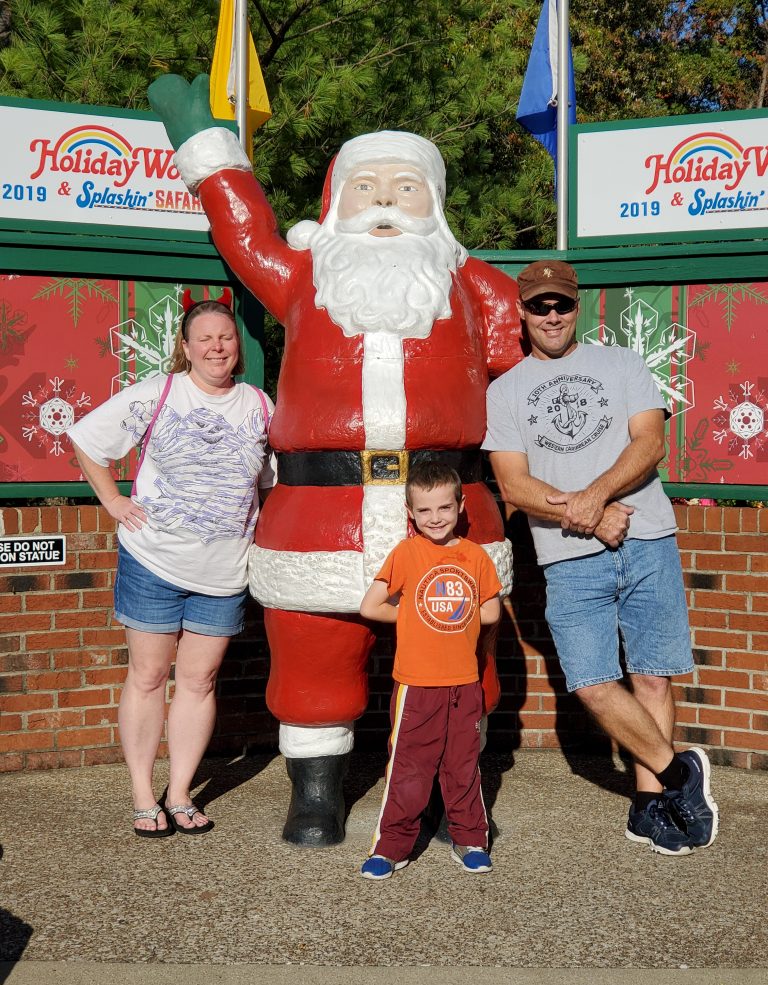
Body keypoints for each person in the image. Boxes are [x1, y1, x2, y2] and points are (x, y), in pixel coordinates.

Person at [148, 73, 525, 846]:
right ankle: (316, 796)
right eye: (367, 188)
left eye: (406, 188)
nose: (385, 204)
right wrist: (208, 150)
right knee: (315, 651)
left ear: (438, 204)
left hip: (450, 506)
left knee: (460, 662)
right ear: (334, 202)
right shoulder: (302, 278)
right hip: (320, 512)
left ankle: (458, 800)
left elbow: (525, 364)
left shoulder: (473, 285)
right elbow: (243, 231)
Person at [483, 259, 719, 856]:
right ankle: (679, 774)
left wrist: (593, 497)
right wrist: (583, 515)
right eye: (540, 305)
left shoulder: (621, 364)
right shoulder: (506, 390)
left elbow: (650, 441)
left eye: (561, 303)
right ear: (521, 311)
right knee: (589, 681)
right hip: (567, 556)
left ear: (576, 305)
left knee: (651, 677)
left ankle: (650, 808)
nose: (552, 315)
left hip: (646, 537)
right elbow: (513, 484)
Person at [67, 293, 275, 838]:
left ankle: (180, 793)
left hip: (225, 571)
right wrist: (113, 501)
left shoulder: (258, 404)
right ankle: (142, 794)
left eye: (225, 337)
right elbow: (88, 440)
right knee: (149, 675)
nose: (216, 346)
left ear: (237, 348)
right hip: (153, 560)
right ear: (184, 347)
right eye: (203, 337)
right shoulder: (158, 393)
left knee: (200, 681)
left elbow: (271, 480)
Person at [359, 462, 501, 879]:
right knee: (408, 769)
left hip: (464, 683)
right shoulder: (407, 552)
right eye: (424, 511)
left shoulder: (474, 556)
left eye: (444, 507)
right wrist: (413, 615)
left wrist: (455, 609)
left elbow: (491, 609)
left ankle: (470, 839)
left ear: (460, 505)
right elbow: (371, 606)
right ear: (411, 513)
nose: (435, 518)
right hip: (417, 685)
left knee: (463, 767)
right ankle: (389, 848)